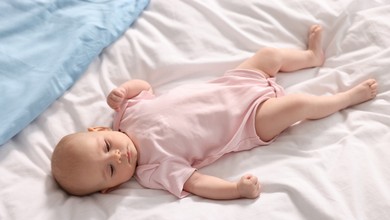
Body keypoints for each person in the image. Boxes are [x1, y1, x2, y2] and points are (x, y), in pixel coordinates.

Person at [51, 25, 377, 200]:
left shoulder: (125, 114)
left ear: (98, 131)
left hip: (233, 84)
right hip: (248, 122)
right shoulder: (153, 170)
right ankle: (345, 98)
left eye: (107, 149)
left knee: (268, 55)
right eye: (110, 170)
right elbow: (198, 183)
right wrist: (235, 190)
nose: (118, 158)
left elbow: (143, 87)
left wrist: (124, 89)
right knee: (297, 105)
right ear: (111, 189)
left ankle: (310, 57)